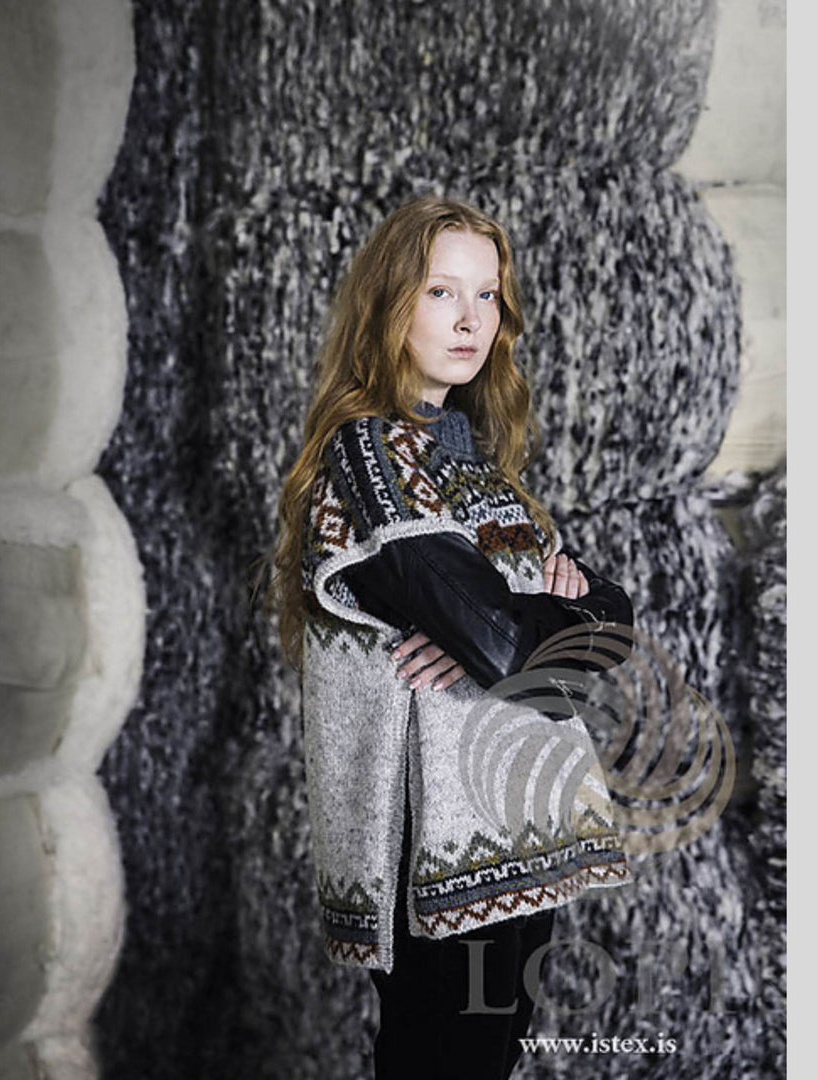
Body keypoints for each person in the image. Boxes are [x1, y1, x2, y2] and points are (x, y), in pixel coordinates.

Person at [265, 194, 635, 1080]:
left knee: (491, 1060)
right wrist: (522, 626)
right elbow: (513, 653)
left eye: (487, 294)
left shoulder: (478, 470)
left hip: (518, 834)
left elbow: (610, 624)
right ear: (389, 303)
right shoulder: (369, 458)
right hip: (434, 851)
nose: (471, 319)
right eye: (440, 292)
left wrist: (528, 624)